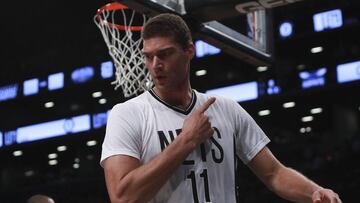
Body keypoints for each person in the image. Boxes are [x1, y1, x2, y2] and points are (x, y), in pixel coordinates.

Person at [100, 13, 342, 203]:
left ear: (189, 51)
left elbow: (274, 174)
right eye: (148, 56)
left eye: (164, 55)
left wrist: (315, 191)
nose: (155, 65)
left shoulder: (226, 110)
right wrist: (185, 141)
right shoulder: (128, 113)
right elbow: (123, 197)